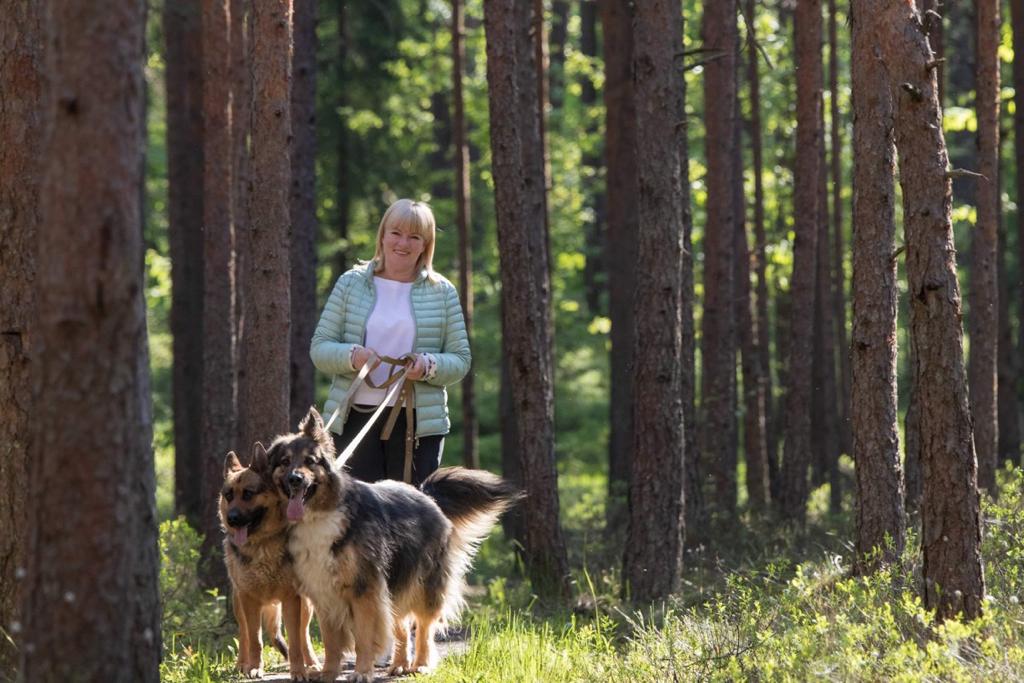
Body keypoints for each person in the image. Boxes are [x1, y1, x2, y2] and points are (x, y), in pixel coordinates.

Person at [310, 198, 471, 486]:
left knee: (412, 514)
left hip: (417, 424)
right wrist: (353, 357)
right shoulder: (350, 283)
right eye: (396, 233)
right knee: (357, 516)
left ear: (426, 244)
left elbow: (460, 360)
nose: (403, 243)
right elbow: (320, 348)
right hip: (353, 417)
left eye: (414, 236)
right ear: (383, 235)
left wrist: (427, 366)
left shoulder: (442, 291)